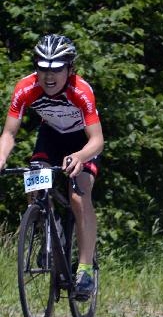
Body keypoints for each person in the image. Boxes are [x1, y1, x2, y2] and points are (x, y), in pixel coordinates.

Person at [0, 34, 104, 299]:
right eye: (43, 68)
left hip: (82, 141)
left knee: (79, 195)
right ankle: (46, 221)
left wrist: (80, 156)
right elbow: (9, 134)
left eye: (56, 68)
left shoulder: (81, 90)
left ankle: (85, 269)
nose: (49, 75)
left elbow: (98, 140)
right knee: (34, 181)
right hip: (51, 136)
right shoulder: (25, 87)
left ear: (69, 69)